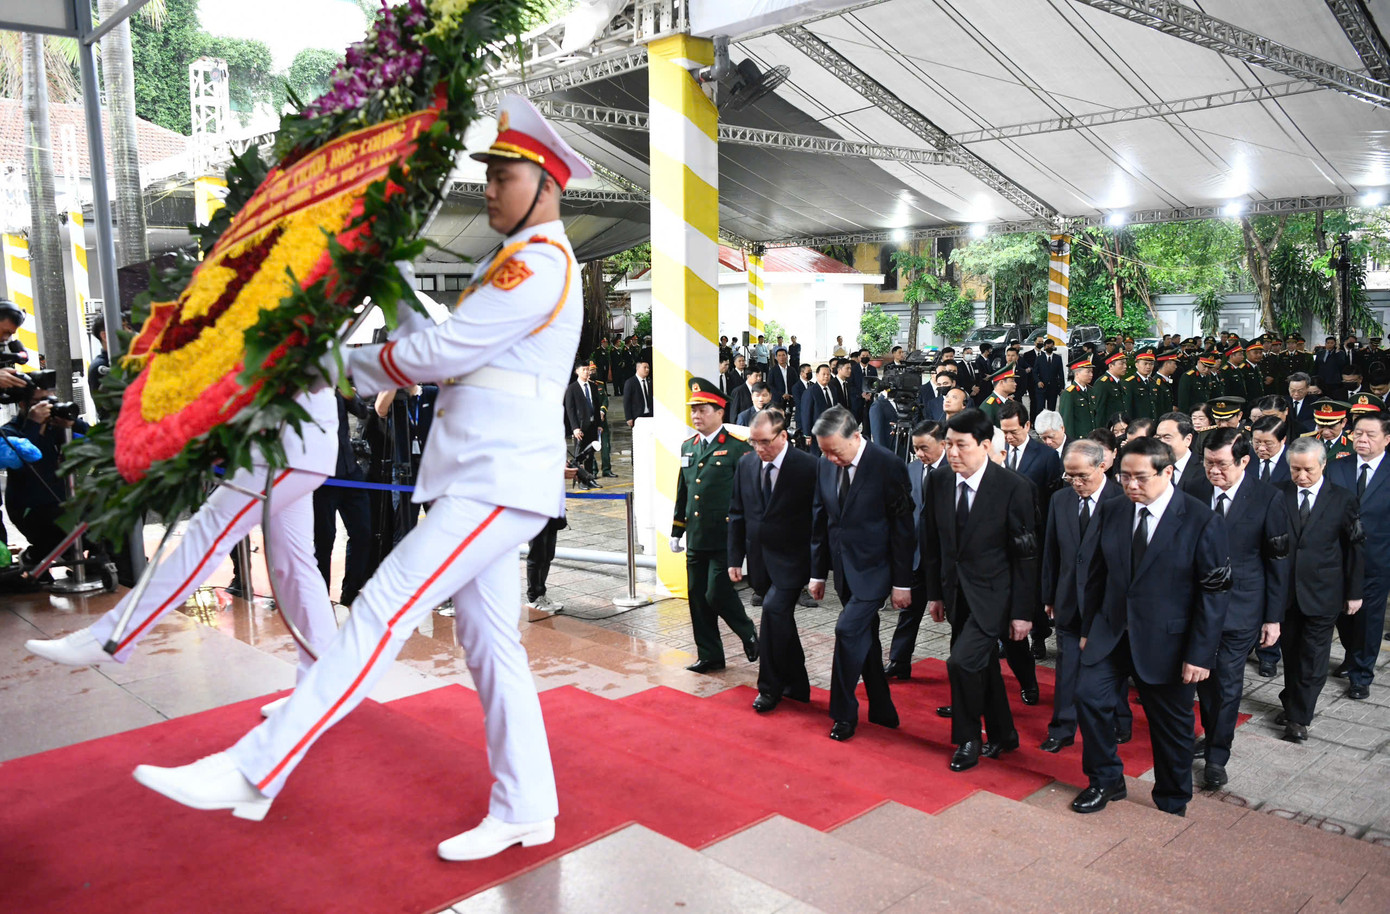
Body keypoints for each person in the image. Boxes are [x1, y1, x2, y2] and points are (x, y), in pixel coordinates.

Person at [124, 95, 589, 861]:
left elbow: (440, 358)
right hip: (481, 474)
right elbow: (432, 339)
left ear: (547, 186)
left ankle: (255, 766)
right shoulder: (506, 265)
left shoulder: (540, 263)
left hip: (495, 480)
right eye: (491, 176)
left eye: (504, 177)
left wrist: (325, 361)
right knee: (490, 646)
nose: (490, 190)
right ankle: (527, 804)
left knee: (381, 605)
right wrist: (391, 269)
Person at [1072, 437, 1230, 817]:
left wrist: (1200, 653)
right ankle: (1105, 780)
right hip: (1110, 632)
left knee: (1170, 728)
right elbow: (1095, 573)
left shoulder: (1200, 519)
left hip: (1169, 643)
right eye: (1124, 477)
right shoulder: (1112, 511)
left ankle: (1173, 800)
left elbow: (1214, 592)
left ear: (1167, 472)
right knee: (1088, 698)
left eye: (1140, 478)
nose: (1131, 486)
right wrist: (1087, 627)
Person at [922, 408, 1038, 771]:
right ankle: (1004, 734)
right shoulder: (938, 482)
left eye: (961, 446)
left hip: (995, 596)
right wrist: (935, 593)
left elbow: (1027, 557)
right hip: (957, 593)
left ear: (985, 445)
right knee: (983, 664)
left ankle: (969, 737)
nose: (952, 453)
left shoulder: (1013, 488)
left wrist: (1022, 612)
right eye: (948, 445)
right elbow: (932, 543)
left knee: (961, 662)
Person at [1189, 428, 1290, 790]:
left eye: (1221, 464)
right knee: (1203, 677)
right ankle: (1212, 731)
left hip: (1242, 606)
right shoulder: (1194, 489)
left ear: (1244, 461)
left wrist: (1273, 617)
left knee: (1228, 681)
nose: (1213, 472)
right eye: (1208, 463)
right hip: (1197, 605)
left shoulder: (1267, 498)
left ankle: (1218, 755)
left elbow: (1277, 560)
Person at [808, 406, 913, 741]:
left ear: (856, 436)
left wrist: (901, 583)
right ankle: (883, 708)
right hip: (843, 569)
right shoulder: (825, 463)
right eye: (823, 451)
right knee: (864, 637)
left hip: (877, 569)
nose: (830, 459)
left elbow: (902, 528)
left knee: (846, 630)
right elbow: (822, 520)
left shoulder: (888, 465)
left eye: (835, 451)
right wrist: (818, 573)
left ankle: (843, 713)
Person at [1039, 439, 1128, 753]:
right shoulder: (1060, 500)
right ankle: (1062, 727)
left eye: (1082, 477)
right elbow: (1051, 551)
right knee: (1067, 667)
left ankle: (1119, 719)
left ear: (1102, 466)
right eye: (1070, 476)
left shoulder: (1123, 500)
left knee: (1109, 666)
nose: (1076, 483)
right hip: (1068, 600)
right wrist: (1049, 594)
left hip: (1106, 604)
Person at [728, 408, 816, 711]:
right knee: (782, 622)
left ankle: (769, 687)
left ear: (783, 436)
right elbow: (738, 514)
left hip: (793, 561)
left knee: (773, 614)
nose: (758, 448)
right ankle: (799, 684)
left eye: (764, 442)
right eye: (753, 442)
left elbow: (818, 521)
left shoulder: (808, 467)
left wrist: (817, 571)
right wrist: (734, 558)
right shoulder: (746, 463)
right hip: (760, 561)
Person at [1277, 438, 1364, 741]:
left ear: (1323, 465)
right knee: (1290, 652)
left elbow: (1354, 548)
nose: (1301, 476)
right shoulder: (1278, 493)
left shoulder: (1342, 499)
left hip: (1325, 591)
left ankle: (1299, 718)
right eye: (1295, 469)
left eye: (1308, 470)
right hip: (1285, 592)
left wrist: (1354, 592)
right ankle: (1292, 701)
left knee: (1313, 656)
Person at [671, 377, 759, 673]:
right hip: (696, 536)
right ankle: (709, 654)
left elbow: (750, 496)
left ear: (720, 412)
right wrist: (676, 530)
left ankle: (747, 631)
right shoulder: (688, 446)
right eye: (693, 410)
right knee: (697, 598)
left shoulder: (738, 449)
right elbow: (683, 490)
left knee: (715, 592)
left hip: (725, 537)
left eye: (703, 409)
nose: (696, 416)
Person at [1326, 410, 1390, 700]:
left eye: (1370, 434)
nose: (1362, 439)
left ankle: (1361, 675)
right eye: (1358, 433)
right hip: (1337, 558)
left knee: (1369, 619)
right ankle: (1352, 657)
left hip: (1377, 559)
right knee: (1344, 614)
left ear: (1386, 439)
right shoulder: (1338, 467)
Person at [998, 399, 1061, 665]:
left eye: (1014, 431)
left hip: (1035, 535)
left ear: (1027, 426)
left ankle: (1038, 635)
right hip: (1002, 537)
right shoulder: (997, 453)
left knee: (1033, 590)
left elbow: (1055, 496)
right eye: (1004, 432)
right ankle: (1007, 637)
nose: (1009, 437)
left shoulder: (1045, 455)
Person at [2, 379, 90, 564]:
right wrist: (34, 424)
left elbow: (93, 437)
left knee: (105, 517)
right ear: (23, 404)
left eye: (51, 400)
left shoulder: (56, 428)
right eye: (40, 401)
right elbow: (25, 460)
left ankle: (117, 568)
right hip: (29, 508)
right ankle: (34, 557)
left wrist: (72, 422)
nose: (48, 406)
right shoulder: (10, 432)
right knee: (64, 527)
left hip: (62, 502)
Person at [886, 420, 948, 678]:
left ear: (943, 444)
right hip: (915, 558)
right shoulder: (910, 469)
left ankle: (964, 673)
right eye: (916, 448)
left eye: (925, 448)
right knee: (909, 613)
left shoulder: (956, 470)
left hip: (945, 561)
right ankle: (898, 663)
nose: (919, 454)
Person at [313, 389, 373, 606]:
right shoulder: (304, 389)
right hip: (319, 477)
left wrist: (349, 394)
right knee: (324, 540)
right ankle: (320, 599)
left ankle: (350, 592)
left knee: (363, 533)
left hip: (349, 471)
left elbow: (362, 411)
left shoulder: (336, 386)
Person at [1154, 412, 1205, 497]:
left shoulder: (1204, 469)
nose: (1161, 442)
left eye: (1167, 437)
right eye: (1158, 437)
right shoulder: (1151, 467)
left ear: (1187, 440)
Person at [563, 361, 600, 476]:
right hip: (580, 427)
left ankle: (589, 478)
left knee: (590, 455)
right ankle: (581, 481)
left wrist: (599, 424)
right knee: (580, 456)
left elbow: (597, 407)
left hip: (593, 425)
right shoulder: (572, 388)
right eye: (583, 369)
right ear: (577, 371)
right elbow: (570, 410)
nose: (586, 372)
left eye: (587, 369)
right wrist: (575, 428)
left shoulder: (593, 387)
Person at [1058, 356, 1099, 438]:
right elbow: (1067, 421)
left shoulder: (1091, 391)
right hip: (1079, 438)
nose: (1091, 375)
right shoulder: (1069, 394)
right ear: (1077, 374)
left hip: (1092, 437)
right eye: (1088, 372)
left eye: (1092, 372)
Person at [800, 363, 836, 453]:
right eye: (823, 374)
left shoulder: (833, 389)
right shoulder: (810, 391)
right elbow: (806, 414)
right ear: (817, 375)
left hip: (832, 430)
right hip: (816, 432)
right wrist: (807, 434)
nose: (826, 377)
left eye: (828, 374)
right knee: (816, 458)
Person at [623, 357, 653, 426]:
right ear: (638, 368)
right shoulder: (630, 382)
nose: (647, 370)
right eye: (644, 367)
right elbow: (626, 401)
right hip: (637, 416)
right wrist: (628, 417)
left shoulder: (650, 382)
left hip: (650, 415)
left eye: (648, 368)